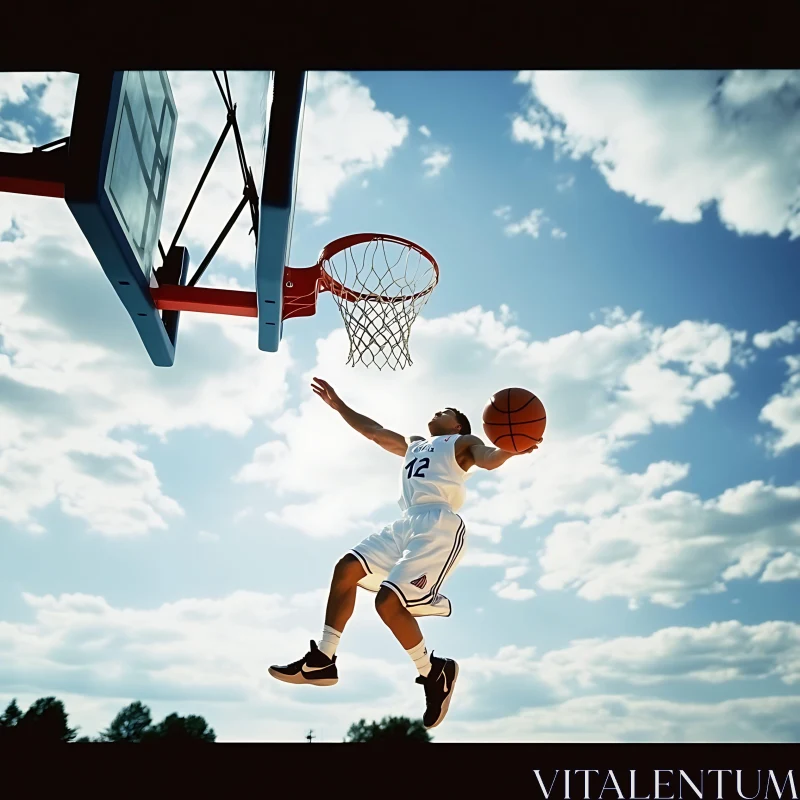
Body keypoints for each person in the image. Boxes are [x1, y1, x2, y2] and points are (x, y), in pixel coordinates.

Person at [269, 377, 539, 729]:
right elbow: (374, 431)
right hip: (406, 522)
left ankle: (433, 672)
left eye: (445, 410)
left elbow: (488, 459)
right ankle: (323, 658)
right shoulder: (415, 444)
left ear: (456, 424)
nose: (436, 411)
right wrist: (339, 406)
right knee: (346, 567)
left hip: (438, 525)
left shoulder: (463, 442)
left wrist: (514, 446)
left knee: (386, 603)